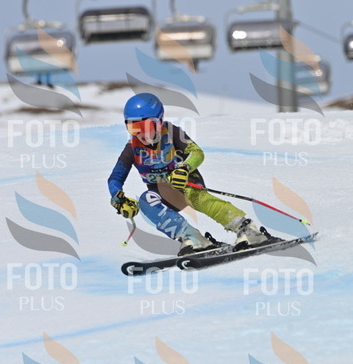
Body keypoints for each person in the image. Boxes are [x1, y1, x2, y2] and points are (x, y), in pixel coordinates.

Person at [108, 93, 270, 254]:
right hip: (164, 193)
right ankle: (193, 239)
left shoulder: (171, 132)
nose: (141, 134)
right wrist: (118, 198)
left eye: (147, 126)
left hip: (187, 182)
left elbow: (197, 153)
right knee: (146, 201)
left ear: (160, 121)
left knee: (197, 197)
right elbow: (115, 178)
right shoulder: (132, 148)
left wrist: (184, 168)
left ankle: (247, 230)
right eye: (134, 127)